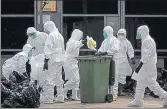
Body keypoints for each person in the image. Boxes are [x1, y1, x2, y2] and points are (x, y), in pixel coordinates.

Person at [128, 25, 167, 108]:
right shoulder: (146, 40)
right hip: (148, 65)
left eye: (139, 32)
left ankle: (166, 96)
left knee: (152, 84)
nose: (138, 34)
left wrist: (140, 65)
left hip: (147, 66)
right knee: (140, 82)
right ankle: (138, 100)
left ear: (143, 32)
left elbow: (147, 54)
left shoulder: (147, 41)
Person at [42, 21, 65, 103]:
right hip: (60, 59)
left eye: (46, 28)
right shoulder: (60, 35)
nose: (46, 31)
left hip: (52, 59)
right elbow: (63, 49)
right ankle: (60, 97)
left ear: (49, 27)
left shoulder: (51, 36)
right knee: (59, 78)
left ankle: (49, 98)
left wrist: (46, 61)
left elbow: (48, 49)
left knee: (50, 78)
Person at [96, 26, 120, 101]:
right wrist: (99, 52)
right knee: (106, 77)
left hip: (113, 60)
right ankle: (106, 93)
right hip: (105, 61)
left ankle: (114, 94)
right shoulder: (105, 41)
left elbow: (115, 49)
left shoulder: (115, 40)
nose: (104, 34)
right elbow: (101, 48)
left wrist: (106, 52)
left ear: (108, 32)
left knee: (114, 77)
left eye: (104, 32)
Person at [63, 29, 87, 101]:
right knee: (73, 79)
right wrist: (82, 42)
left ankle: (74, 95)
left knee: (77, 79)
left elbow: (78, 44)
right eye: (80, 36)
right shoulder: (71, 42)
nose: (80, 37)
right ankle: (63, 92)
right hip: (69, 63)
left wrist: (85, 41)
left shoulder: (74, 41)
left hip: (74, 62)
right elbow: (76, 45)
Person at [117, 29, 135, 96]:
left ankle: (120, 91)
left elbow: (130, 51)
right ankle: (114, 91)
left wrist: (132, 58)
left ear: (125, 34)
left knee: (122, 77)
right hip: (116, 60)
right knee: (115, 76)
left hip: (124, 61)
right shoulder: (114, 41)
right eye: (120, 34)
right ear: (117, 34)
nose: (121, 35)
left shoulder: (127, 42)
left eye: (122, 34)